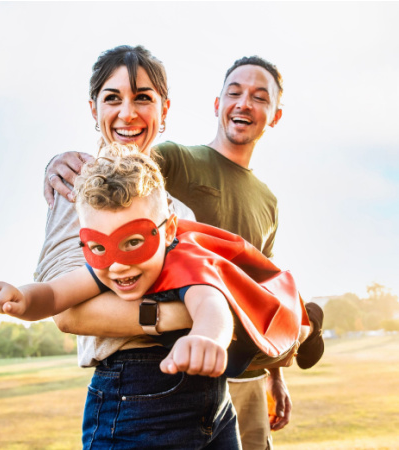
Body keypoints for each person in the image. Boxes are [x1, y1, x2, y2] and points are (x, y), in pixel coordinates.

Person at [42, 53, 325, 449]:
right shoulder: (130, 172)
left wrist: (274, 365)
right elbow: (65, 311)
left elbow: (250, 272)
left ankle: (298, 326)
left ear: (164, 109)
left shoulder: (178, 205)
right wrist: (205, 314)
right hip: (141, 382)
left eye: (143, 98)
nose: (128, 113)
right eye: (112, 98)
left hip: (214, 384)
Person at [0, 144, 241, 449]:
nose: (118, 265)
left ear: (169, 231)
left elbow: (211, 303)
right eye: (99, 247)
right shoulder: (106, 267)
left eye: (133, 242)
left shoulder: (186, 259)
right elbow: (53, 295)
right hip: (134, 409)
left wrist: (208, 337)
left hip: (217, 411)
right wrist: (21, 299)